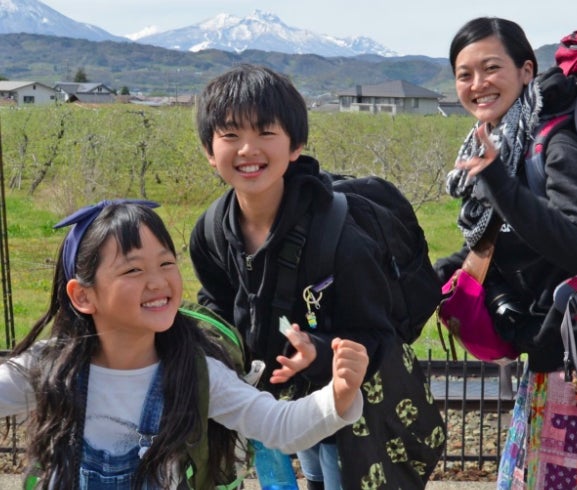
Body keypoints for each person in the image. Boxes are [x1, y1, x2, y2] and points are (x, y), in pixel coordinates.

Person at [189, 64, 444, 490]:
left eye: (266, 132)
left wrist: (321, 352)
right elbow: (216, 307)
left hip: (351, 409)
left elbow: (378, 335)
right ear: (209, 151)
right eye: (230, 135)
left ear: (296, 145)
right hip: (282, 406)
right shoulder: (212, 230)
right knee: (314, 477)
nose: (248, 149)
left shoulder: (339, 235)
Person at [0, 199, 369, 489]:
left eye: (166, 264)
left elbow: (277, 426)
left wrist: (339, 395)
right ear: (83, 296)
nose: (157, 281)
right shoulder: (48, 370)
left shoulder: (195, 373)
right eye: (133, 269)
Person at [434, 17, 577, 489]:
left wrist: (500, 184)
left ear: (526, 71)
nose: (478, 84)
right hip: (546, 362)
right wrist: (423, 281)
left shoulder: (555, 143)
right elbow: (491, 240)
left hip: (569, 367)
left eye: (491, 67)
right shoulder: (502, 144)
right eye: (464, 74)